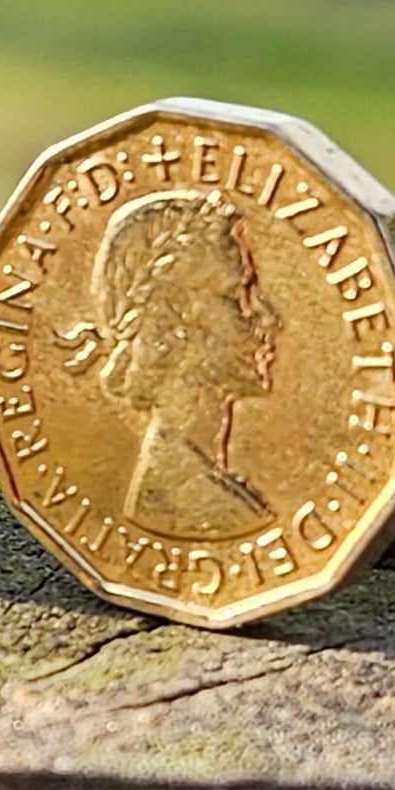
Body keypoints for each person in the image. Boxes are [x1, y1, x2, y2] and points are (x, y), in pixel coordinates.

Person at [92, 189, 280, 540]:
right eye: (235, 296)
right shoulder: (183, 495)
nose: (268, 318)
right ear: (174, 322)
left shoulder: (217, 487)